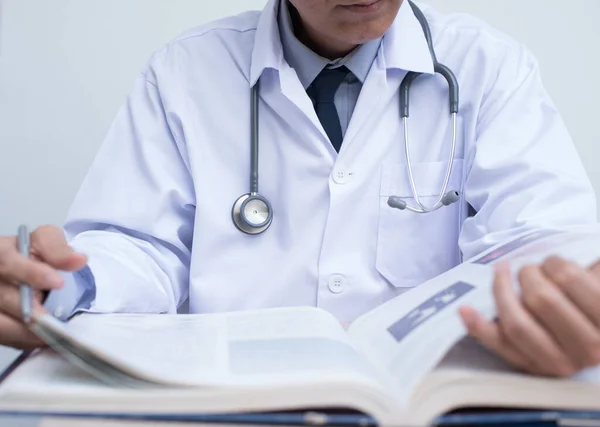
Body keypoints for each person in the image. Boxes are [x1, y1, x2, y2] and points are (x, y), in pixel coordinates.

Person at [1, 0, 599, 377]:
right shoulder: (184, 73)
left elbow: (541, 237)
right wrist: (65, 284)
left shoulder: (488, 66)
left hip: (424, 400)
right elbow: (142, 246)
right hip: (232, 402)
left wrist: (562, 304)